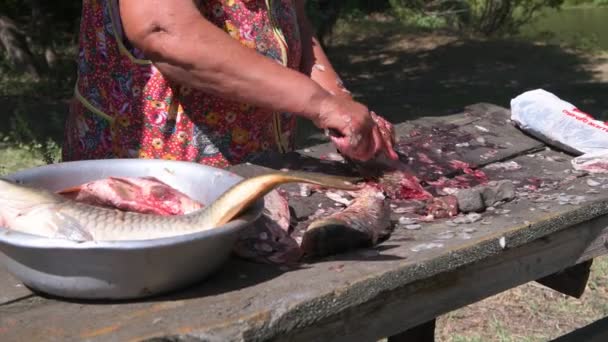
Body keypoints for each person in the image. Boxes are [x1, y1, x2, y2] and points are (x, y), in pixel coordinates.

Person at [62, 0, 398, 168]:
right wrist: (321, 105)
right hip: (155, 185)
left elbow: (292, 21)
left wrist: (341, 106)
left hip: (257, 174)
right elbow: (163, 31)